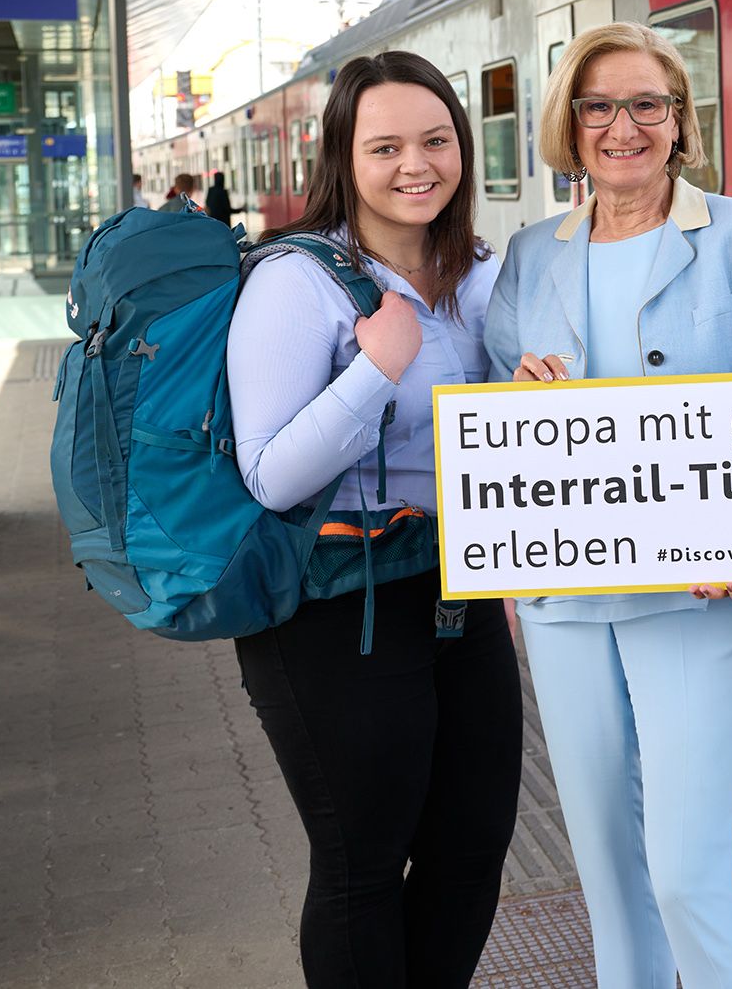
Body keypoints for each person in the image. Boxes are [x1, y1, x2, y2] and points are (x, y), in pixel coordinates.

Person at [486, 21, 732, 989]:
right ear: (569, 124)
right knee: (609, 877)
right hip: (566, 601)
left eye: (646, 104)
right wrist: (520, 398)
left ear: (678, 119)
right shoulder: (530, 253)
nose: (623, 126)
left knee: (684, 871)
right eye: (598, 106)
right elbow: (495, 426)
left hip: (700, 593)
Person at [227, 51, 519, 988]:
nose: (416, 164)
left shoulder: (481, 273)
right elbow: (271, 475)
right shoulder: (296, 282)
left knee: (471, 854)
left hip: (457, 598)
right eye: (385, 145)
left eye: (436, 140)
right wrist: (374, 369)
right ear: (343, 159)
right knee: (361, 869)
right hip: (333, 612)